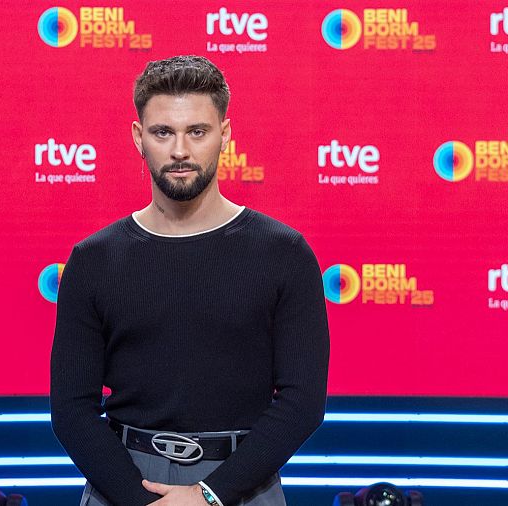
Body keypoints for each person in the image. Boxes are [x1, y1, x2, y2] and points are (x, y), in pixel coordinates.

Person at [50, 55, 330, 506]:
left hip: (243, 482)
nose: (180, 150)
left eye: (197, 131)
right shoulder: (93, 260)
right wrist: (142, 500)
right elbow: (70, 410)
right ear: (139, 138)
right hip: (124, 484)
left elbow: (303, 402)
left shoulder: (284, 253)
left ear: (225, 133)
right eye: (164, 132)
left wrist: (209, 496)